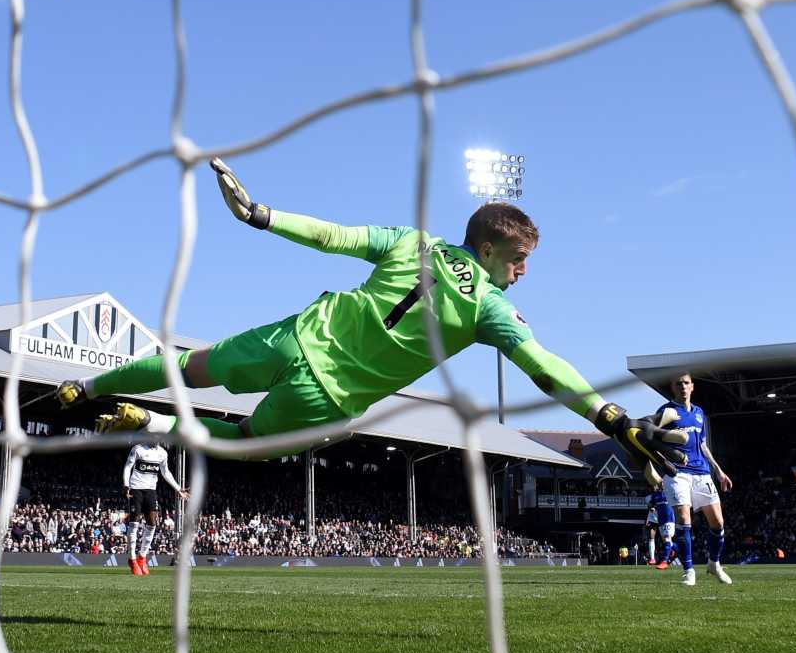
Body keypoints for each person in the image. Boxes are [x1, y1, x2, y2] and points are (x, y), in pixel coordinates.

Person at [57, 159, 685, 479]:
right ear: (489, 250)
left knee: (189, 365)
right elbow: (545, 370)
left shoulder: (408, 240)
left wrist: (260, 215)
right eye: (519, 261)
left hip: (294, 337)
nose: (522, 272)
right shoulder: (490, 308)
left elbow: (332, 235)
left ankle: (88, 386)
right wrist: (612, 417)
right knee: (246, 449)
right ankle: (161, 425)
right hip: (326, 397)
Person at [654, 373, 733, 587]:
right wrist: (659, 467)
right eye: (678, 383)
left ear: (692, 387)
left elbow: (703, 446)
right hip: (677, 472)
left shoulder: (699, 413)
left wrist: (719, 471)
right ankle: (688, 571)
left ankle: (714, 564)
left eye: (686, 383)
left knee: (718, 522)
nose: (683, 387)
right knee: (683, 518)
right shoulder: (667, 411)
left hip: (702, 472)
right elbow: (652, 438)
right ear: (672, 387)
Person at [122, 441, 188, 576]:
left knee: (152, 523)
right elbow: (128, 467)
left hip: (151, 490)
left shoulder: (162, 453)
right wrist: (126, 484)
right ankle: (132, 559)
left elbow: (165, 471)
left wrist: (178, 488)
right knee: (134, 522)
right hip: (136, 488)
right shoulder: (138, 449)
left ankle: (142, 557)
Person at [644, 473, 676, 569]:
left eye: (662, 482)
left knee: (667, 538)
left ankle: (664, 561)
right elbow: (650, 504)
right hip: (660, 520)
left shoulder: (670, 492)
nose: (661, 484)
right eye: (660, 483)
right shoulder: (656, 495)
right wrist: (651, 507)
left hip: (669, 519)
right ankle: (679, 550)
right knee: (667, 541)